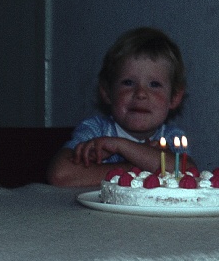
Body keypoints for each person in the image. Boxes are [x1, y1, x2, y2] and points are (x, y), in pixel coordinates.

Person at [47, 27, 193, 187]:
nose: (140, 94)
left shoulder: (171, 137)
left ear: (174, 97)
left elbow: (189, 173)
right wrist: (144, 166)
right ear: (107, 92)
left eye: (154, 84)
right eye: (128, 83)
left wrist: (121, 146)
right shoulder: (96, 130)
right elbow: (60, 175)